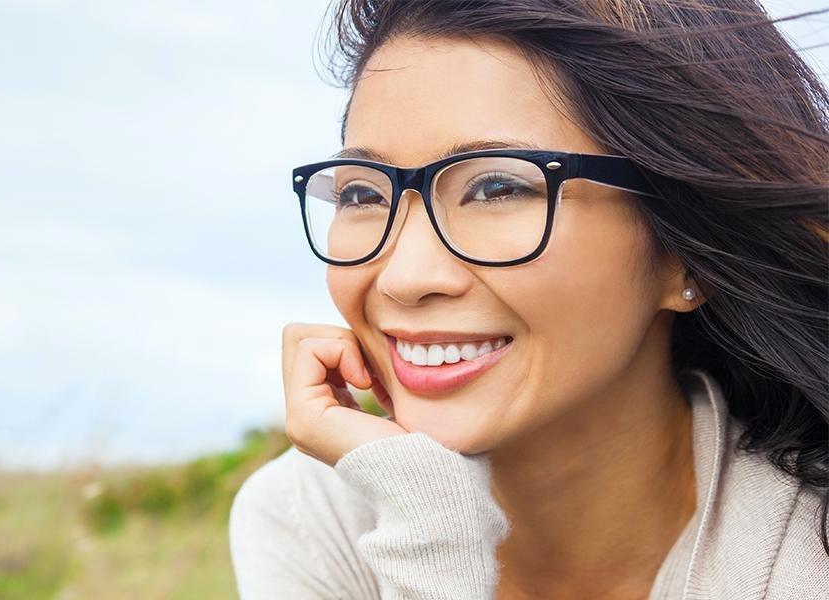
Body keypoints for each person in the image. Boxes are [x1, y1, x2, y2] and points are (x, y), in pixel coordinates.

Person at [227, 1, 829, 598]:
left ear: (685, 254)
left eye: (496, 187)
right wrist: (429, 523)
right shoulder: (310, 519)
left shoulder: (806, 557)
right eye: (362, 195)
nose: (404, 278)